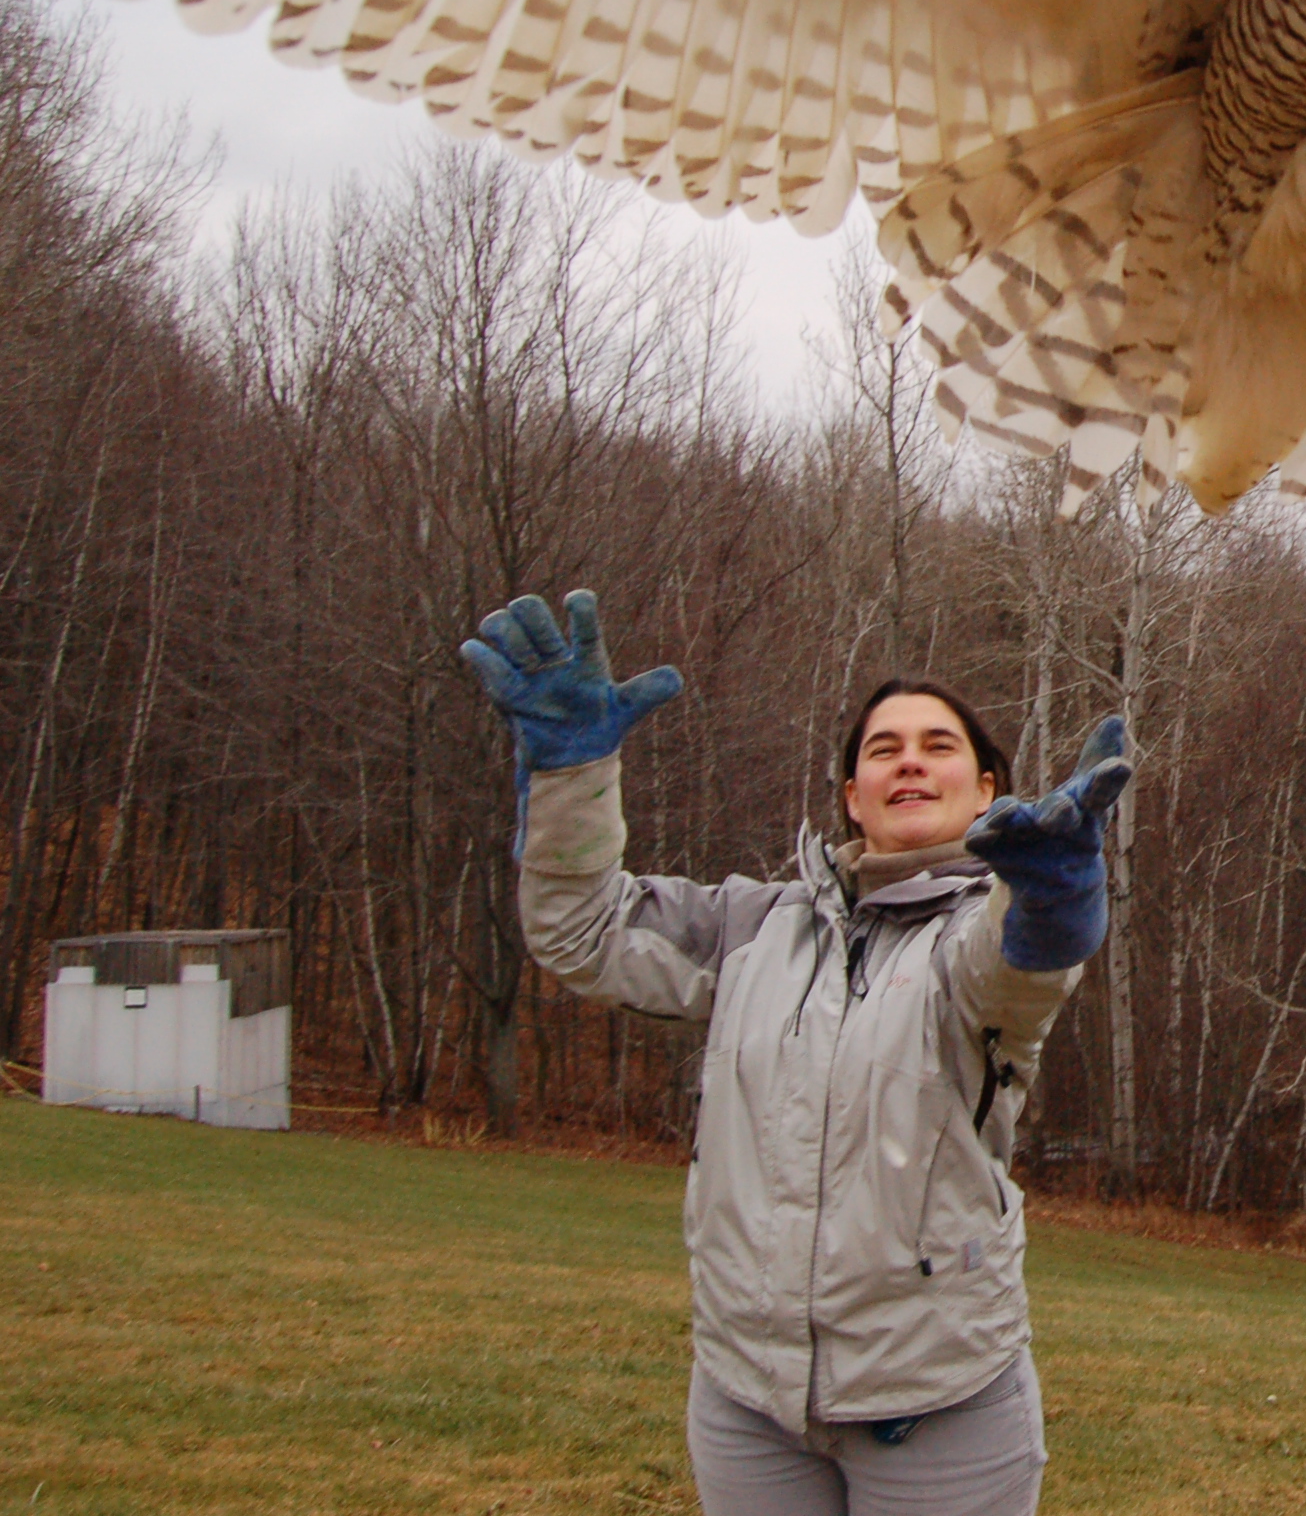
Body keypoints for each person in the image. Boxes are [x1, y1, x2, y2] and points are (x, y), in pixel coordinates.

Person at [461, 589, 1126, 1516]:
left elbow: (1021, 970)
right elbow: (582, 933)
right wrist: (572, 772)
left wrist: (1055, 891)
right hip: (748, 1404)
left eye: (941, 747)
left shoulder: (973, 940)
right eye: (881, 749)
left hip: (937, 1413)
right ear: (853, 797)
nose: (909, 762)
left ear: (987, 790)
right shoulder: (755, 927)